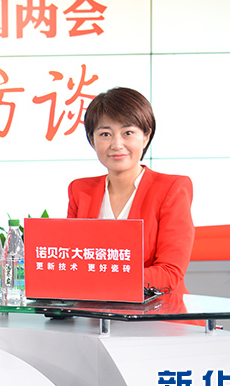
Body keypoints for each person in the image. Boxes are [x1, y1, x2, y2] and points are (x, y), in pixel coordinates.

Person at [67, 87, 194, 297]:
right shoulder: (80, 190)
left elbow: (170, 272)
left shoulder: (172, 188)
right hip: (96, 310)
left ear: (145, 137)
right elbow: (72, 262)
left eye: (128, 133)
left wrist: (105, 279)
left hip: (159, 310)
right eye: (105, 134)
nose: (117, 144)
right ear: (92, 140)